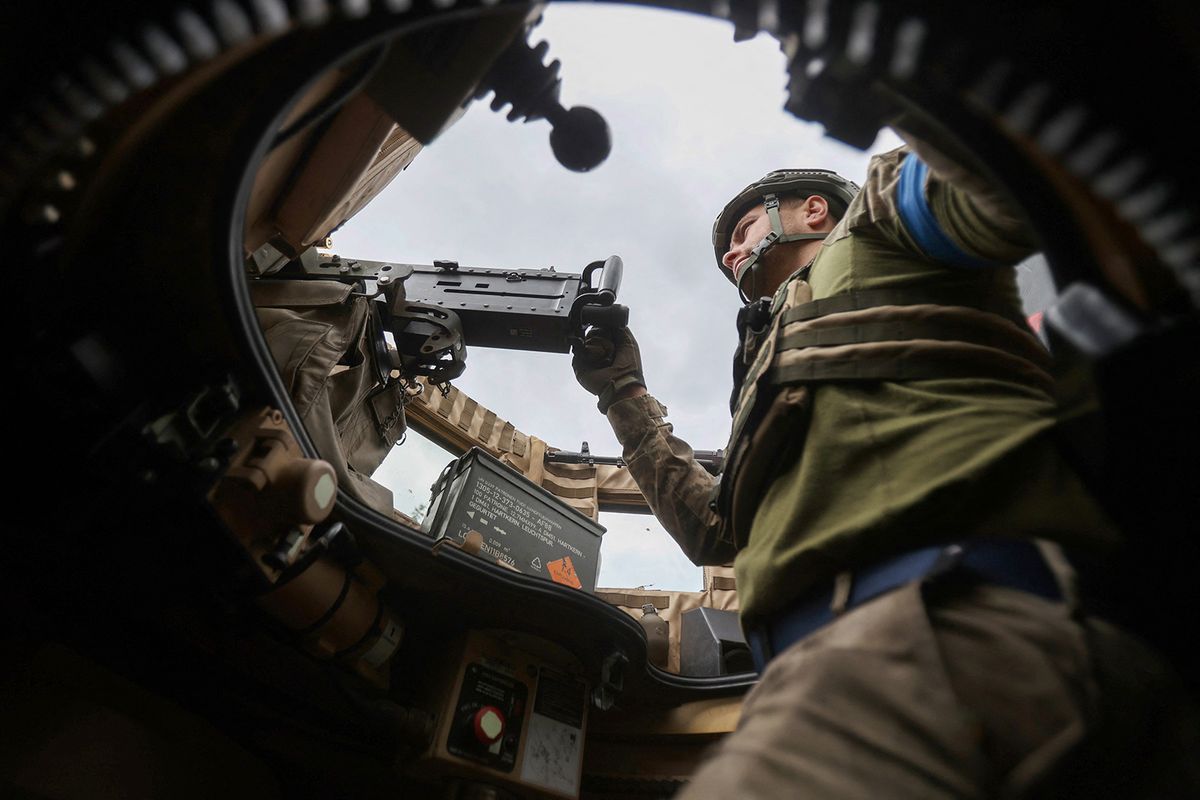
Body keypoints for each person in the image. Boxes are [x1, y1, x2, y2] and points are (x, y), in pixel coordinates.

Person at [572, 140, 1200, 797]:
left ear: (814, 210)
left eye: (742, 230)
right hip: (874, 661)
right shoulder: (769, 366)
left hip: (939, 635)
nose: (731, 254)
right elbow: (717, 535)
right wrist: (623, 392)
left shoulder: (879, 220)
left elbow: (1004, 185)